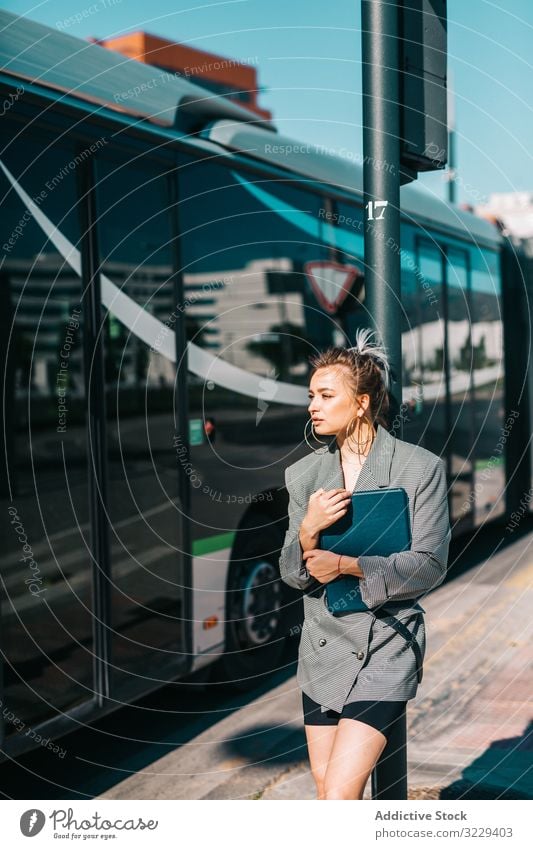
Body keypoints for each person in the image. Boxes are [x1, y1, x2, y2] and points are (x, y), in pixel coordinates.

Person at [278, 327, 451, 800]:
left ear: (361, 403)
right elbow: (292, 575)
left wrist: (347, 565)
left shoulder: (420, 469)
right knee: (328, 790)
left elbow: (430, 565)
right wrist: (308, 530)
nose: (312, 405)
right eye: (311, 395)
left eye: (326, 395)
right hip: (322, 646)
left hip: (387, 644)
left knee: (337, 796)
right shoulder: (304, 476)